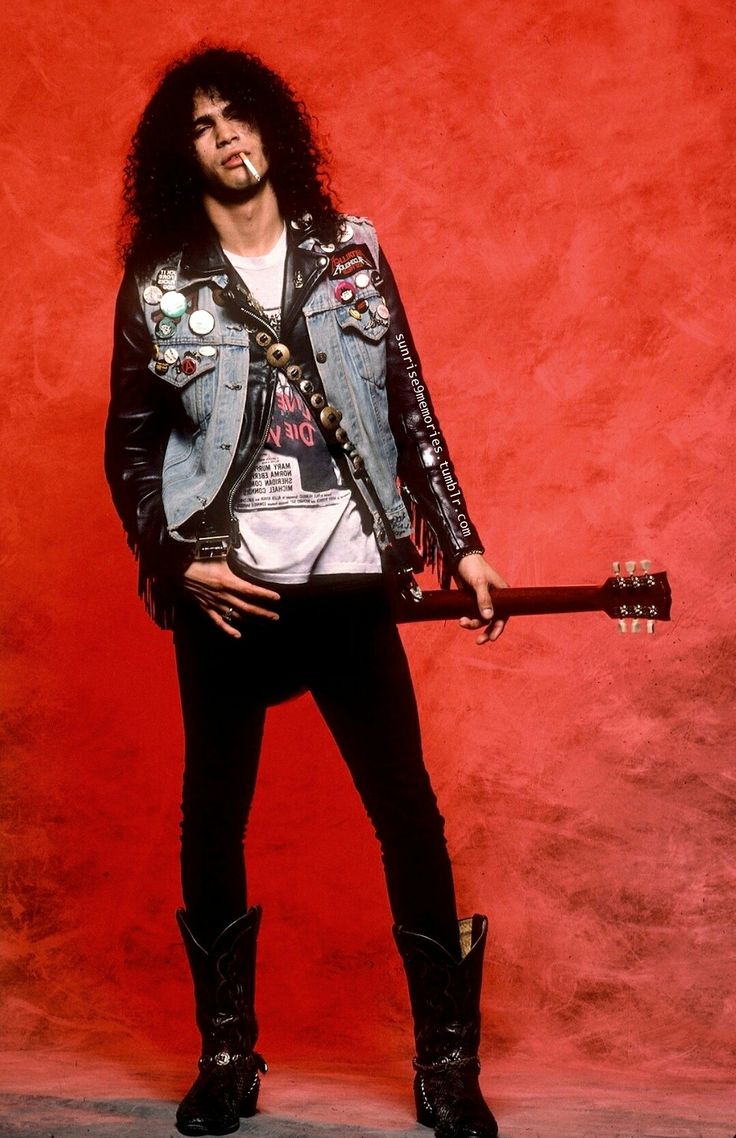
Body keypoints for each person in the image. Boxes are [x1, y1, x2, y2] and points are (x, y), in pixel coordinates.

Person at [105, 45, 508, 1138]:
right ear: (176, 154)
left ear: (272, 129)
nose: (226, 137)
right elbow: (129, 448)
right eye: (201, 126)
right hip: (228, 588)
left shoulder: (352, 254)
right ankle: (227, 1057)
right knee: (213, 818)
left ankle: (445, 1067)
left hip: (347, 575)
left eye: (239, 117)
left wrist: (461, 544)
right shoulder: (160, 284)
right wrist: (173, 554)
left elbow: (410, 405)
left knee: (406, 814)